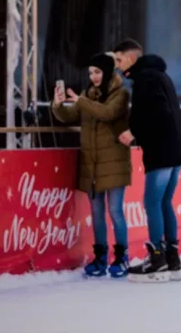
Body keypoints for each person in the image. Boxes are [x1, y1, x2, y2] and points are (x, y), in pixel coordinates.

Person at [112, 39, 181, 283]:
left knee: (152, 202)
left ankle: (157, 257)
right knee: (164, 202)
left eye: (119, 59)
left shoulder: (146, 78)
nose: (117, 66)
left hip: (162, 151)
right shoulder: (158, 76)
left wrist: (134, 130)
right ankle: (171, 257)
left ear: (131, 58)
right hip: (175, 149)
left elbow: (158, 112)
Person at [51, 53, 132, 278]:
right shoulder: (87, 94)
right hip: (92, 164)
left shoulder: (121, 94)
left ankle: (122, 256)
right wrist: (58, 105)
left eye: (97, 72)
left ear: (106, 71)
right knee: (96, 213)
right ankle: (100, 257)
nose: (93, 76)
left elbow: (106, 113)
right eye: (90, 72)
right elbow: (68, 115)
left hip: (114, 163)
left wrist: (81, 101)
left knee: (115, 211)